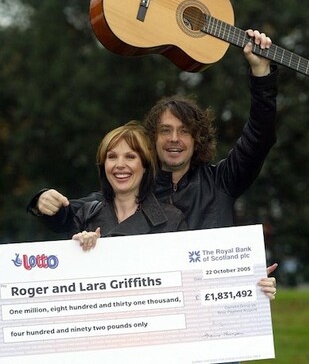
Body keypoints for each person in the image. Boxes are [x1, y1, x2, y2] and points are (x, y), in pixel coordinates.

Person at [27, 29, 277, 288]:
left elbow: (260, 137)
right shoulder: (132, 187)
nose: (174, 139)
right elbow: (71, 214)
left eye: (184, 131)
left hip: (208, 312)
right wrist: (43, 200)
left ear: (197, 139)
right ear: (152, 139)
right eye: (165, 131)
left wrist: (261, 75)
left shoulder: (222, 182)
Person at [67, 121, 187, 247]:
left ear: (145, 165)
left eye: (130, 157)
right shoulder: (86, 216)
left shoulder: (172, 219)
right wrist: (77, 248)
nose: (120, 165)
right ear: (103, 165)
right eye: (112, 157)